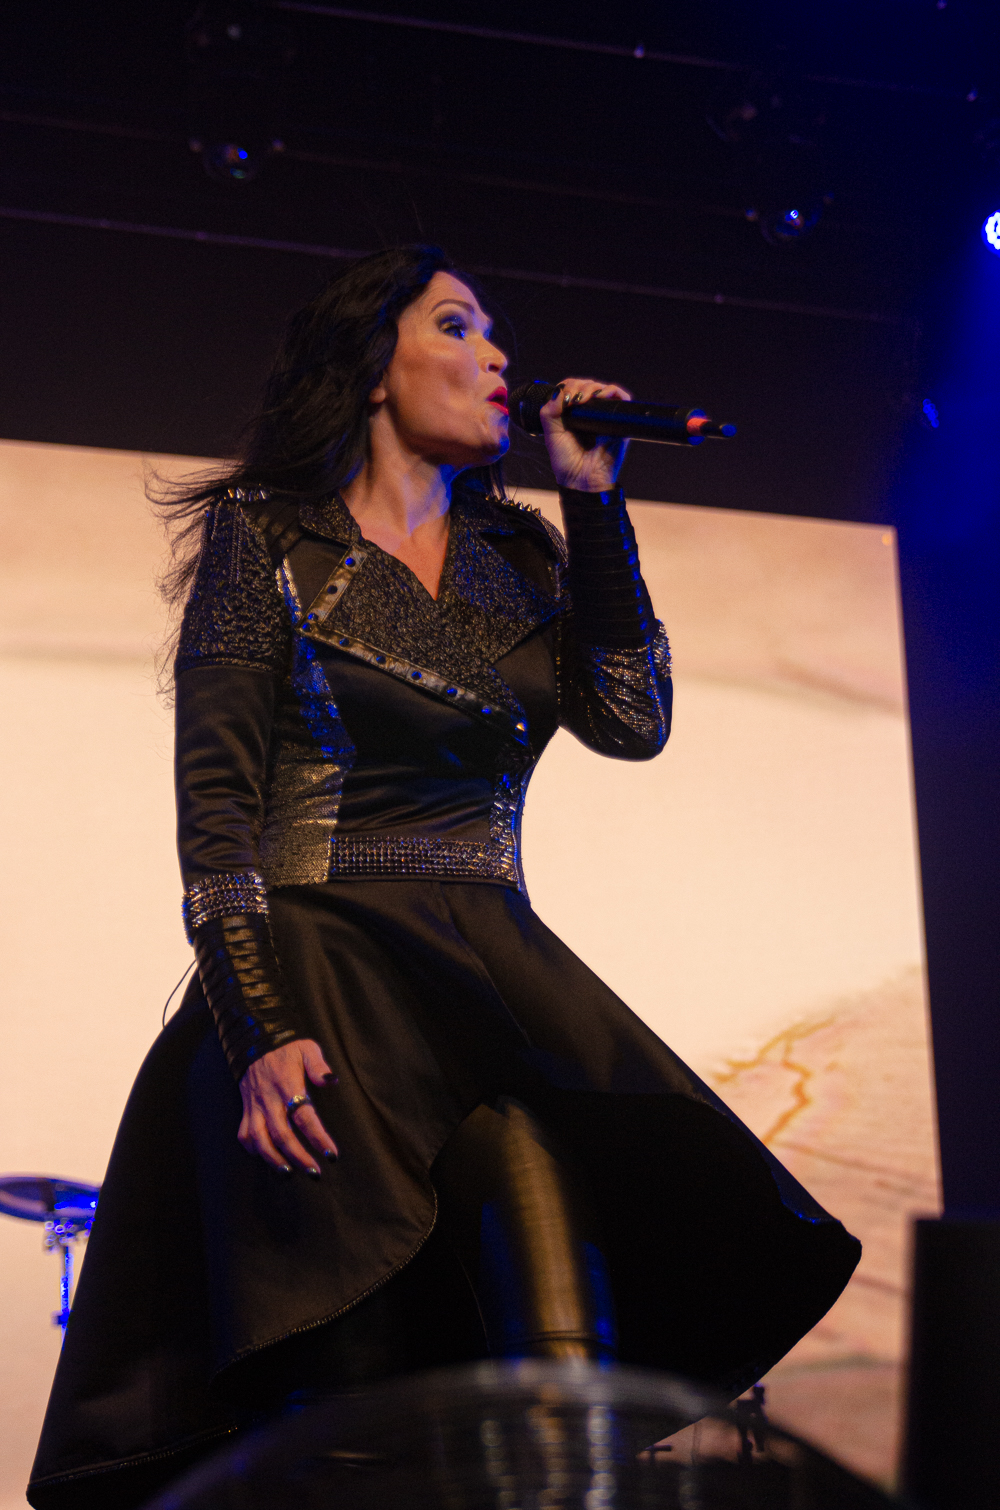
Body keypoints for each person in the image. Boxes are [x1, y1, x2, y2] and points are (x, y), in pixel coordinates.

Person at [28, 245, 859, 1509]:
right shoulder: (271, 537)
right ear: (375, 364)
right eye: (457, 325)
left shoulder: (517, 553)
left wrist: (595, 503)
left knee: (563, 1343)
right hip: (320, 985)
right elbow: (217, 816)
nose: (497, 356)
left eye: (495, 333)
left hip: (483, 979)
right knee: (343, 1372)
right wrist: (258, 1028)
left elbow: (630, 718)